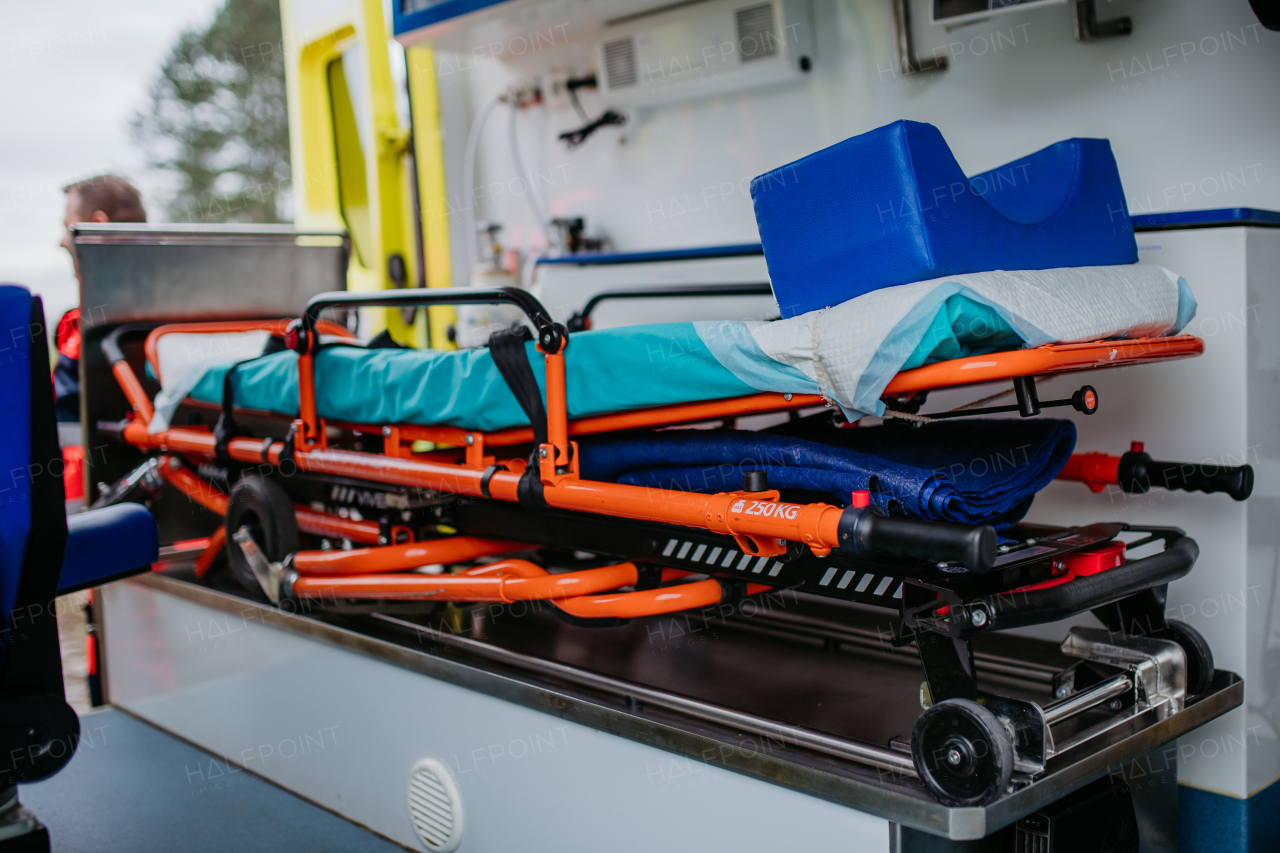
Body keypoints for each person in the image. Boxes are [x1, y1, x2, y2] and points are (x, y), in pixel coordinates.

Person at [55, 175, 147, 422]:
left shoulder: (85, 329)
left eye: (68, 227)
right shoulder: (191, 316)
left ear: (97, 225)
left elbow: (64, 427)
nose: (62, 242)